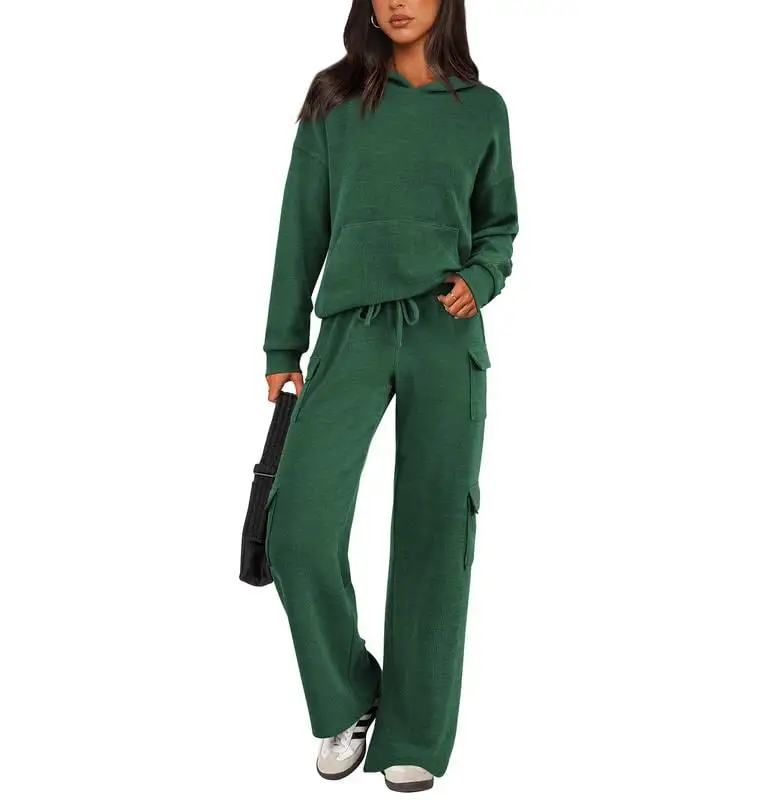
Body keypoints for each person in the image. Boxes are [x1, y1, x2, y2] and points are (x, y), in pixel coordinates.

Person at [260, 0, 518, 792]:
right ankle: (349, 695)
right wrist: (282, 345)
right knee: (296, 530)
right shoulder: (333, 99)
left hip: (446, 330)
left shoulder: (482, 110)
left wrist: (480, 278)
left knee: (437, 532)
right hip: (353, 329)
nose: (398, 1)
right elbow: (301, 224)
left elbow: (499, 226)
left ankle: (415, 733)